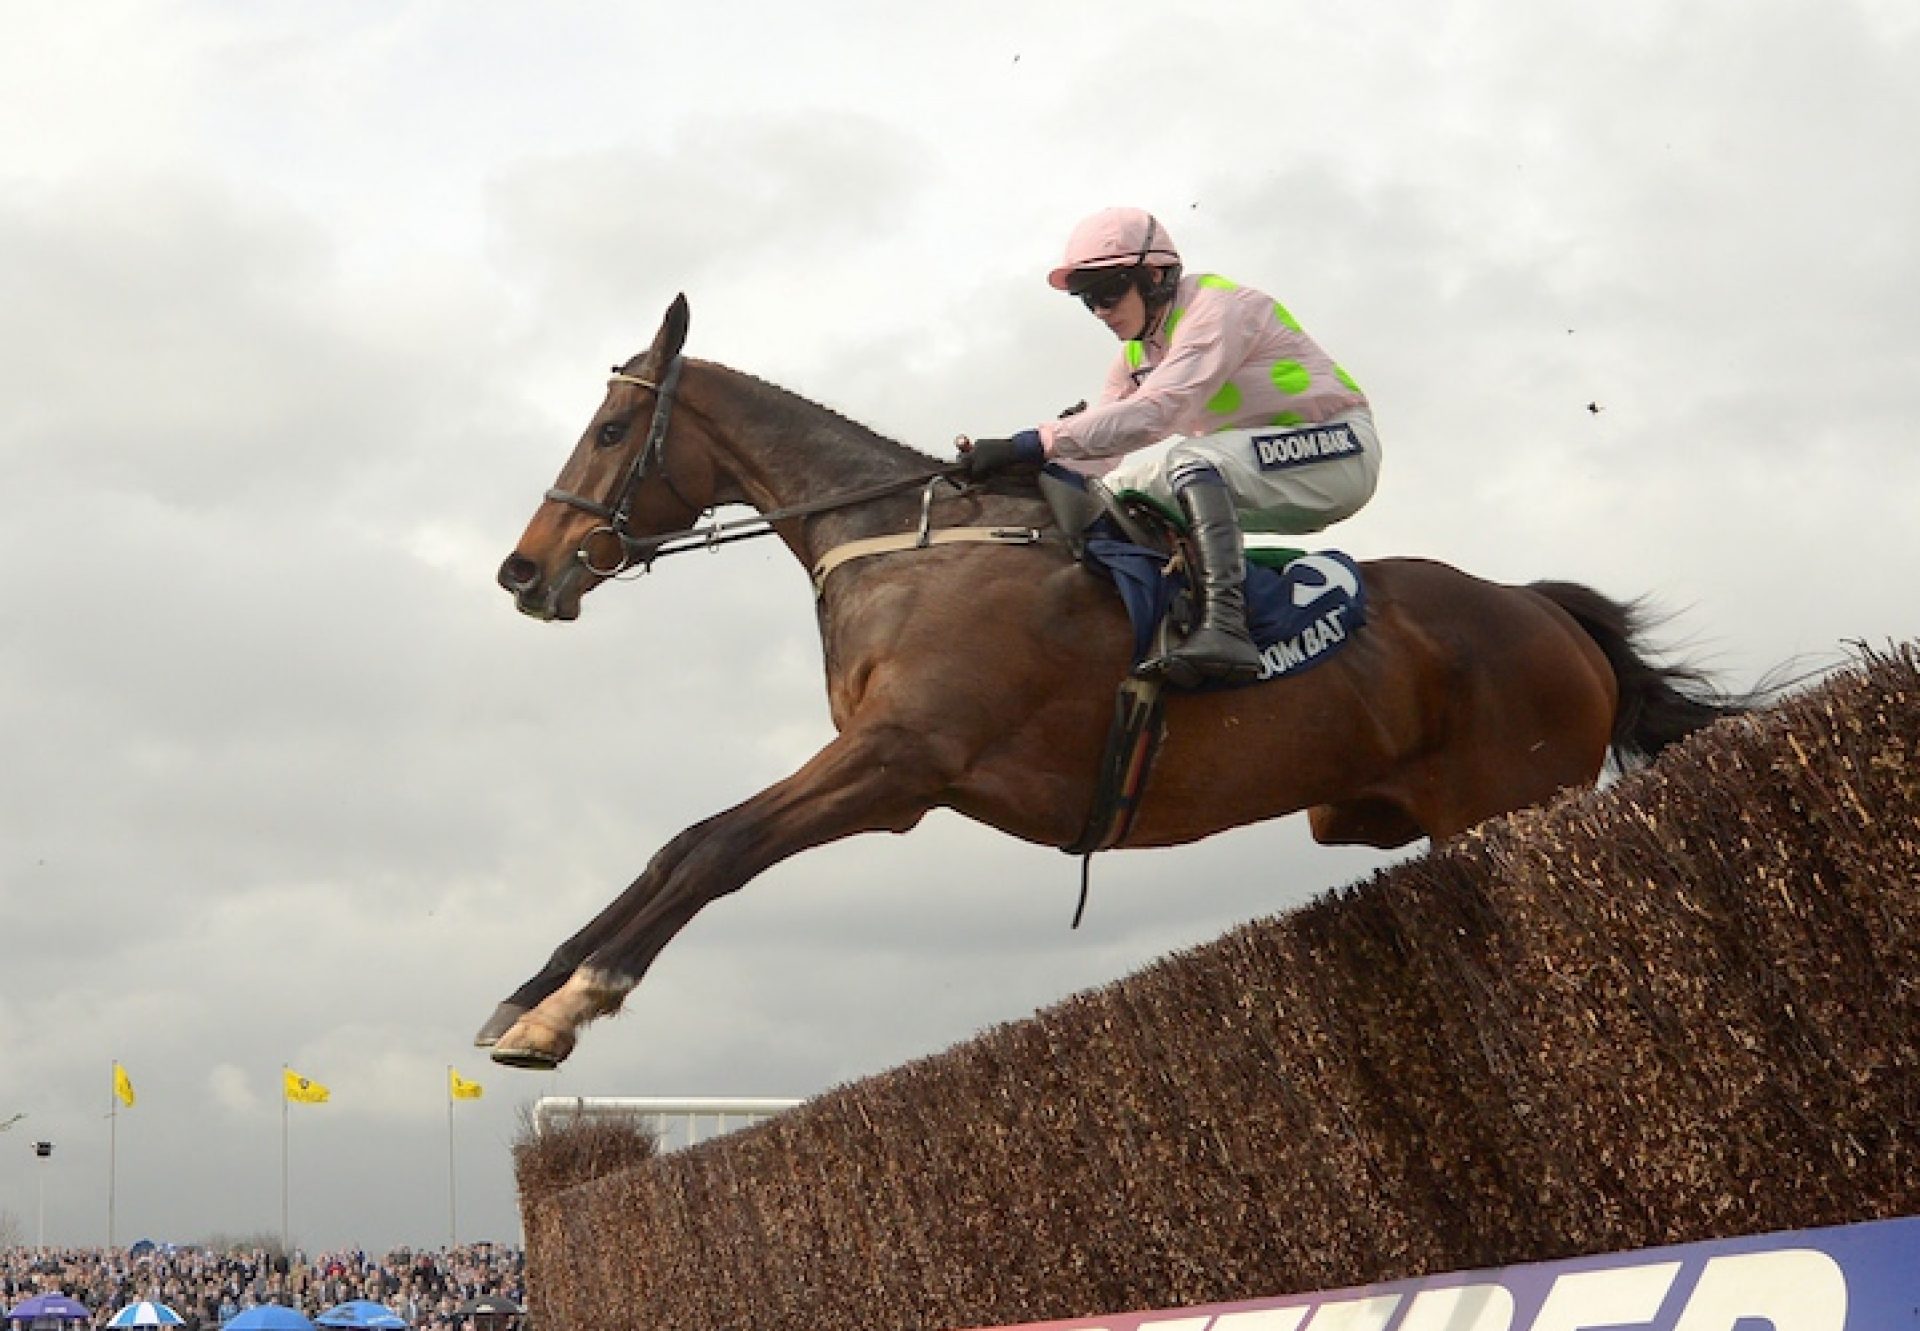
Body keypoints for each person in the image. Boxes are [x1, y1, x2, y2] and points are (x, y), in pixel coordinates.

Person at [963, 206, 1381, 686]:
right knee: (1116, 493)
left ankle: (1227, 627)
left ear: (1155, 276)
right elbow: (1099, 455)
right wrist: (1018, 478)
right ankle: (1178, 613)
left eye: (1108, 291)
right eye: (1087, 299)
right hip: (1263, 468)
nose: (1100, 311)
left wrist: (1033, 443)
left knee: (1190, 459)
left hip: (1339, 449)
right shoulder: (1134, 357)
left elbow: (1155, 413)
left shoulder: (1218, 308)